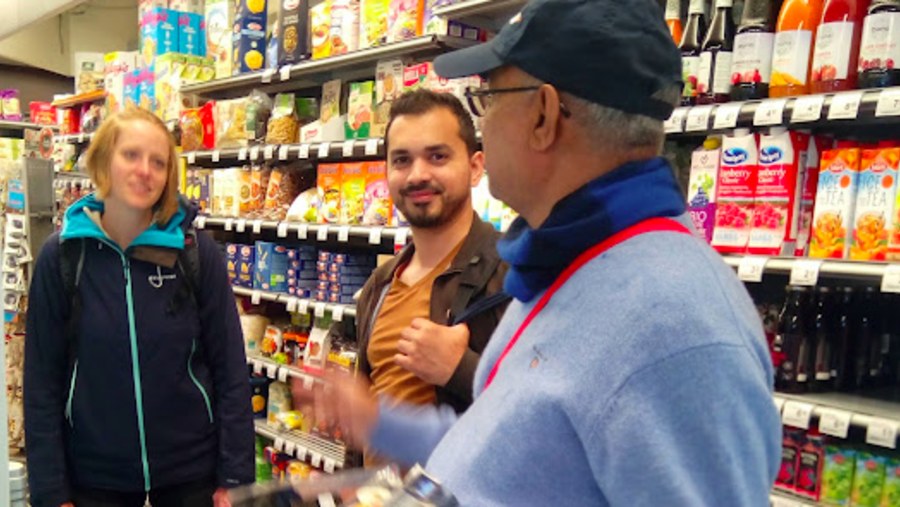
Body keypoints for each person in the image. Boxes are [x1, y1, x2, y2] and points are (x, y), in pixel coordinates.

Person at [297, 0, 782, 505]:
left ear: (544, 115)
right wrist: (380, 426)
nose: (482, 123)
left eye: (490, 99)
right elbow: (505, 452)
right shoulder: (566, 267)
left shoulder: (676, 327)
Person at [25, 108, 254, 507]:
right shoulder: (63, 257)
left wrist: (235, 478)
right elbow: (42, 382)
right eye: (130, 155)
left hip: (191, 478)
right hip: (95, 482)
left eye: (158, 161)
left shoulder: (195, 253)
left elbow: (231, 370)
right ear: (102, 162)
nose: (145, 170)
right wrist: (50, 492)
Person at [353, 89, 508, 431]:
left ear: (475, 167)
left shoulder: (511, 275)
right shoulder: (378, 288)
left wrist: (462, 370)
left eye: (437, 157)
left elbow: (546, 422)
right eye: (402, 160)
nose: (417, 175)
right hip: (380, 487)